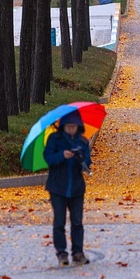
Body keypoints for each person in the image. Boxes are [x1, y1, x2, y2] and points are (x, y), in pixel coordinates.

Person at [43, 113, 92, 266]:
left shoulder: (83, 142)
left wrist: (80, 159)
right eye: (68, 127)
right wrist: (62, 156)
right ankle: (61, 253)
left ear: (78, 127)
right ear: (63, 127)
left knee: (77, 222)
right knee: (59, 221)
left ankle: (78, 252)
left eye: (74, 127)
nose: (71, 130)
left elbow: (87, 162)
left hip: (76, 188)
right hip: (57, 187)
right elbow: (48, 158)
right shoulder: (54, 140)